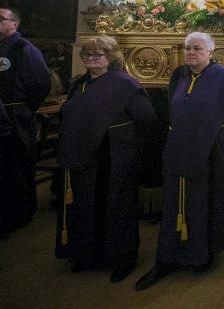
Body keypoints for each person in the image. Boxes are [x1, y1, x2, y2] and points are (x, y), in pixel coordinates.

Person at [135, 32, 224, 290]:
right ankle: (167, 258)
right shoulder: (179, 74)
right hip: (179, 146)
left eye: (197, 48)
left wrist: (214, 133)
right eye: (187, 48)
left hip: (211, 149)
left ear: (211, 52)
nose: (190, 53)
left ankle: (201, 254)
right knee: (175, 200)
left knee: (204, 199)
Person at [55, 36, 154, 282]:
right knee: (87, 203)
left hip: (114, 155)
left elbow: (146, 117)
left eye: (97, 55)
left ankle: (122, 257)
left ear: (111, 57)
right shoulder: (79, 83)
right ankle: (88, 254)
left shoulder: (124, 83)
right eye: (86, 55)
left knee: (116, 204)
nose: (91, 59)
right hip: (84, 157)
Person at [0, 7, 51, 238]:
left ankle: (20, 213)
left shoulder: (24, 49)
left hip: (15, 115)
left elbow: (40, 83)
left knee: (18, 163)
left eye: (0, 19)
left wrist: (23, 108)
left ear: (14, 24)